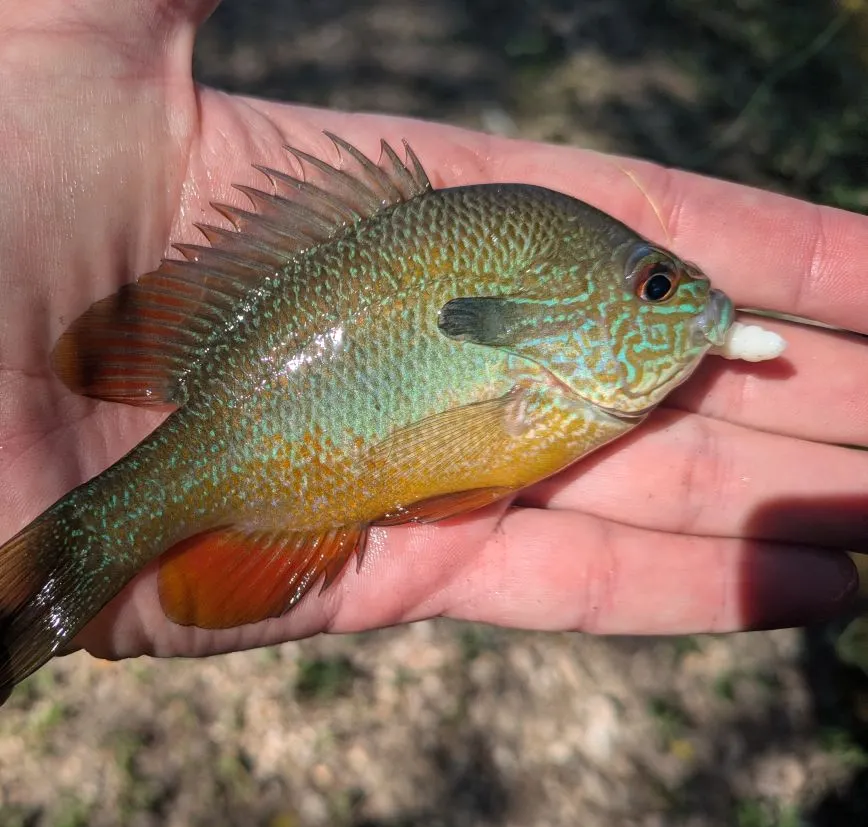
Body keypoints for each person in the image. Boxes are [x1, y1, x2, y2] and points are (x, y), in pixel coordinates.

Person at [0, 0, 865, 671]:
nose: (681, 303)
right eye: (655, 286)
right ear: (544, 320)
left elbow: (459, 466)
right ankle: (85, 550)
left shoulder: (550, 393)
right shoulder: (544, 398)